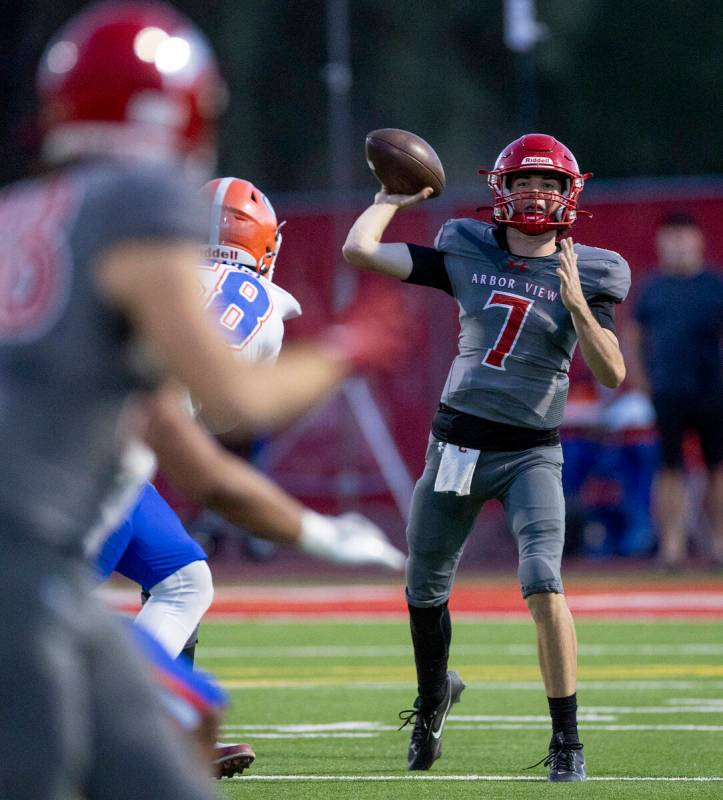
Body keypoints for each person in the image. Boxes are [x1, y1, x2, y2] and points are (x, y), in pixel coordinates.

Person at [0, 3, 402, 797]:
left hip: (51, 540)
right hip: (28, 559)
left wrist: (314, 531)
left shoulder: (19, 215)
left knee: (162, 749)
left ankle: (166, 711)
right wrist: (346, 348)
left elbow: (184, 451)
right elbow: (236, 399)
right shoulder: (136, 207)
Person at [343, 133, 630, 782]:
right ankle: (432, 701)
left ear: (569, 194)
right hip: (455, 446)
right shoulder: (466, 250)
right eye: (524, 181)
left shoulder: (596, 268)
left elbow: (611, 373)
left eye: (549, 184)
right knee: (424, 587)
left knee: (542, 583)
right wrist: (389, 197)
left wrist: (577, 303)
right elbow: (357, 250)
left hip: (530, 453)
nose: (536, 193)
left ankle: (566, 742)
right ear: (501, 190)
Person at [628, 212, 723, 568]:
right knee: (669, 468)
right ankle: (671, 546)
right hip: (667, 390)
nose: (678, 244)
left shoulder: (713, 285)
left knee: (717, 466)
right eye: (671, 237)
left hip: (712, 390)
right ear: (660, 243)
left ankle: (718, 543)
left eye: (684, 236)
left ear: (698, 240)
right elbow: (634, 336)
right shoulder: (652, 287)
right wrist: (640, 381)